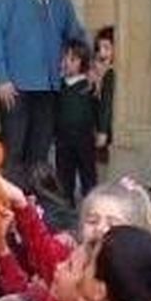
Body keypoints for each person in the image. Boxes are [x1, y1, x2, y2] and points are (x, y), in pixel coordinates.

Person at [0, 0, 87, 169]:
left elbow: (76, 34)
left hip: (49, 87)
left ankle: (36, 205)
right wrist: (2, 79)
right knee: (14, 149)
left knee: (40, 154)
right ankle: (12, 205)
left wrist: (91, 65)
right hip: (14, 87)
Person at [53, 40, 99, 202]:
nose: (66, 63)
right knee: (64, 176)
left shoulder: (88, 85)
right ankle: (66, 211)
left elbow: (98, 109)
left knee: (88, 175)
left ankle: (91, 206)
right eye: (64, 58)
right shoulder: (58, 86)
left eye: (73, 59)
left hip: (84, 137)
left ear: (83, 62)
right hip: (63, 138)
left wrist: (101, 131)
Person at [91, 26, 116, 165]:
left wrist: (102, 131)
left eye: (107, 48)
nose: (102, 53)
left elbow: (106, 104)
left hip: (107, 132)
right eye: (99, 48)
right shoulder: (100, 72)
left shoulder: (110, 74)